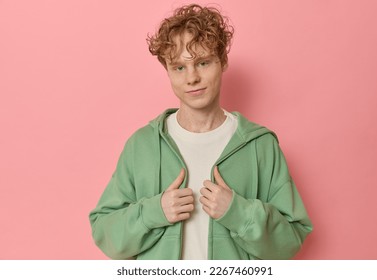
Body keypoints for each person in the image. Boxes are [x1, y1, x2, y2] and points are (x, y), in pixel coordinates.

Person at [89, 4, 312, 260]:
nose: (192, 78)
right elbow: (104, 233)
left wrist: (237, 212)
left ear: (223, 62)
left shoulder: (260, 146)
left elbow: (289, 241)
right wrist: (154, 212)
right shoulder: (142, 145)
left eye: (203, 63)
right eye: (179, 67)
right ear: (168, 72)